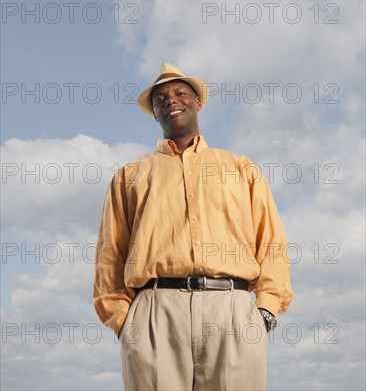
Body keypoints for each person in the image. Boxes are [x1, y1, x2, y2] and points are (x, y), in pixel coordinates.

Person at [93, 62, 294, 391]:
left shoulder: (241, 169)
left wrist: (266, 311)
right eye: (160, 98)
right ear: (154, 113)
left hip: (233, 310)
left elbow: (271, 243)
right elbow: (110, 253)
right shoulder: (129, 176)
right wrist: (123, 321)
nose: (170, 100)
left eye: (179, 93)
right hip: (155, 313)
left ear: (197, 102)